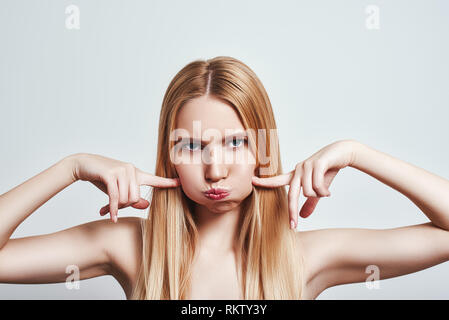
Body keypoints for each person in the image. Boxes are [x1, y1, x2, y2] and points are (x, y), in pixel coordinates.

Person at [1, 56, 449, 300]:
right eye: (193, 146)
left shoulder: (304, 258)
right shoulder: (131, 246)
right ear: (169, 155)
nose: (215, 169)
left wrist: (356, 153)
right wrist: (71, 168)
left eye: (236, 143)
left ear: (263, 151)